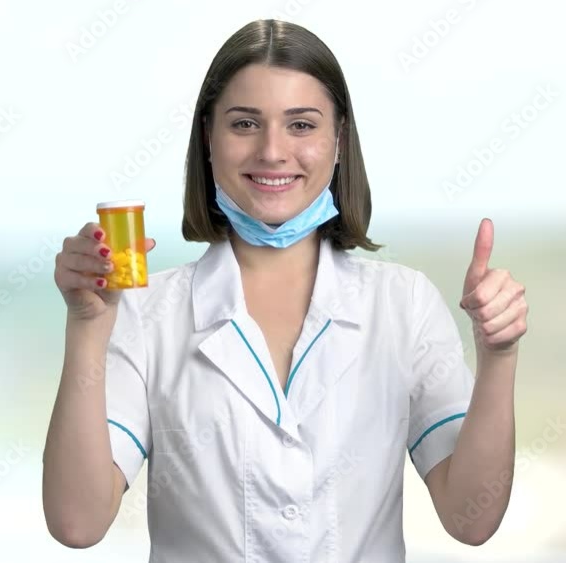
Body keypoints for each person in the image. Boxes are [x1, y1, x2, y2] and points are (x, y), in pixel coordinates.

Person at [43, 19, 528, 562]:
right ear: (208, 138)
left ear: (339, 140)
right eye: (245, 123)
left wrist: (498, 356)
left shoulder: (404, 305)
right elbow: (77, 523)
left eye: (301, 126)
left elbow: (472, 519)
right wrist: (87, 327)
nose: (272, 152)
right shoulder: (144, 311)